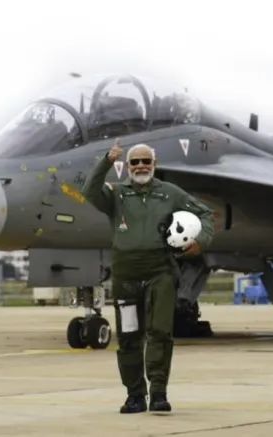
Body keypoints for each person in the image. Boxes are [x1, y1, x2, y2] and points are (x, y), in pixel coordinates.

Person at [82, 141, 214, 414]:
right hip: (126, 277)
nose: (141, 166)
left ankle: (158, 393)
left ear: (154, 164)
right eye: (135, 162)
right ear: (127, 166)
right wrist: (106, 161)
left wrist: (201, 241)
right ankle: (134, 396)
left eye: (146, 161)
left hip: (160, 273)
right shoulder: (117, 195)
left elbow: (205, 213)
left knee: (160, 333)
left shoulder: (170, 193)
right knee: (129, 336)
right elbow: (89, 191)